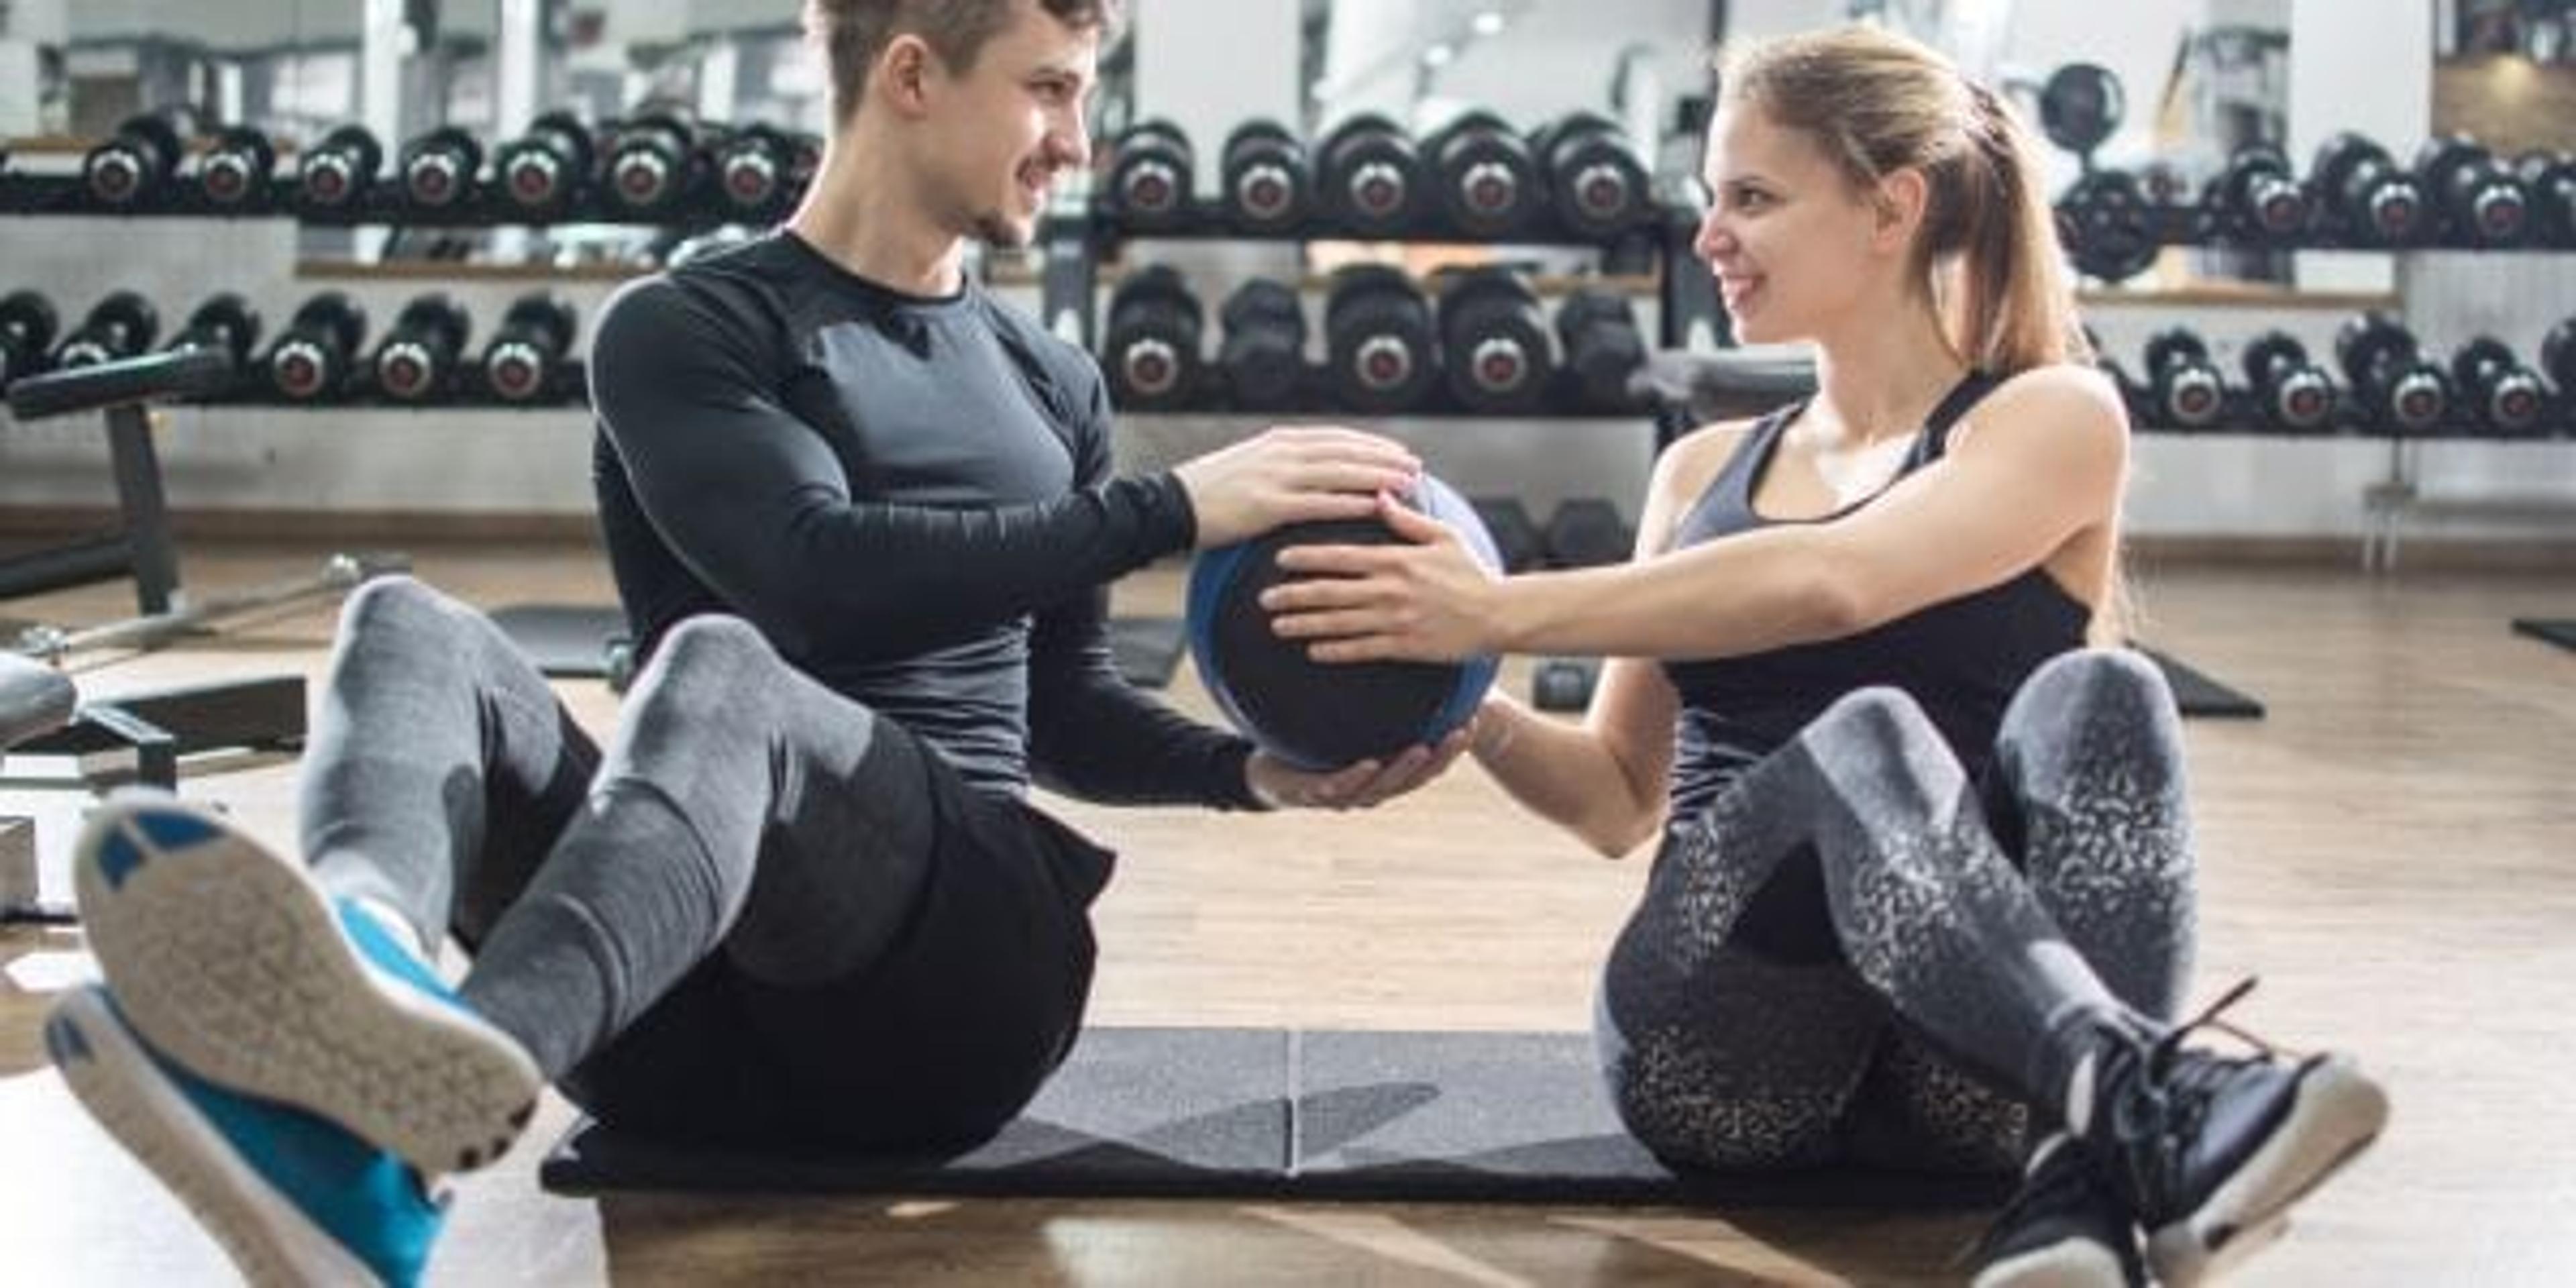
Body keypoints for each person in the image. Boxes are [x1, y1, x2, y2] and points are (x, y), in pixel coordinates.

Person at [44, 2, 1467, 1284]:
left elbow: (1060, 709)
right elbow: (812, 582)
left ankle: (403, 1112)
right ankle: (370, 979)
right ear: (913, 73)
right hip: (675, 1014)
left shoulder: (1051, 378)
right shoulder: (687, 329)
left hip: (954, 993)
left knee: (718, 674)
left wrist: (1247, 775)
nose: (1074, 144)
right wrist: (1163, 509)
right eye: (1047, 91)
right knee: (404, 625)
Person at [1263, 25, 2386, 1288]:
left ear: (1889, 208)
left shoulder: (2052, 418)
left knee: (2108, 690)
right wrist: (1462, 698)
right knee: (1861, 744)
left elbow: (1837, 580)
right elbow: (1616, 803)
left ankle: (2073, 1188)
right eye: (1708, 200)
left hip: (1972, 1069)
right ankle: (2140, 1113)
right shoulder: (1699, 470)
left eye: (1752, 197)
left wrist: (1493, 608)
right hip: (1725, 1051)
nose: (1708, 236)